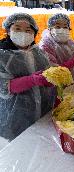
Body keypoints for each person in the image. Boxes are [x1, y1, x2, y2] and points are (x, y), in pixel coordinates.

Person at [0, 13, 56, 141]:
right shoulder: (2, 55)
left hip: (43, 112)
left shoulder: (39, 53)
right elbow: (3, 88)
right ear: (8, 30)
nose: (23, 33)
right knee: (22, 150)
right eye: (17, 28)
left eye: (28, 30)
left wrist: (50, 80)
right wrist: (32, 80)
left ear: (34, 33)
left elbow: (48, 74)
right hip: (16, 116)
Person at [39, 13, 74, 82]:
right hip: (55, 86)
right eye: (57, 26)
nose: (62, 29)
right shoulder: (45, 45)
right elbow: (54, 72)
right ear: (50, 29)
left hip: (72, 81)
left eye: (65, 27)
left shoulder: (70, 43)